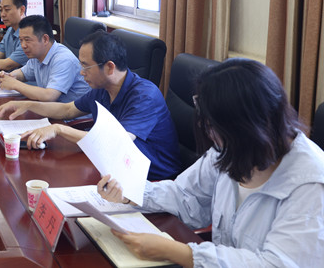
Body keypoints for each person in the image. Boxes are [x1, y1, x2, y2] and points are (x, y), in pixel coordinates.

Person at [97, 58, 324, 267]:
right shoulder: (230, 148)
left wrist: (181, 253)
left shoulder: (310, 183)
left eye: (215, 128)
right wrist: (131, 191)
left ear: (247, 127)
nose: (211, 136)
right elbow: (185, 196)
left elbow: (277, 263)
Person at [0, 30, 181, 180]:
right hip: (112, 166)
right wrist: (29, 105)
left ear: (109, 67)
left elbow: (117, 141)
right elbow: (68, 109)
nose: (81, 72)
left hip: (150, 179)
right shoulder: (103, 88)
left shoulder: (145, 96)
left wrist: (59, 129)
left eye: (85, 66)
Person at [0, 15, 89, 102]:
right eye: (21, 40)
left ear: (45, 39)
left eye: (27, 40)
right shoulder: (37, 55)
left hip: (72, 114)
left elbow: (49, 96)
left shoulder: (63, 59)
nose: (23, 45)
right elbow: (23, 73)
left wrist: (15, 84)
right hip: (52, 109)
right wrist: (8, 76)